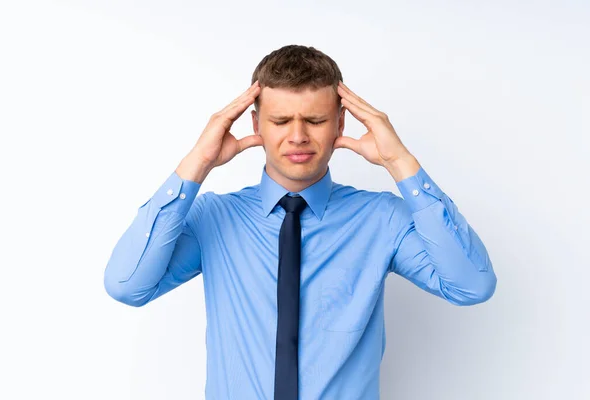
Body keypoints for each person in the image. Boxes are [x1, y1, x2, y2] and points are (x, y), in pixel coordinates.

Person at [104, 44, 497, 400]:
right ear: (255, 125)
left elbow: (471, 286)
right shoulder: (213, 219)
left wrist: (401, 163)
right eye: (280, 121)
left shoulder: (382, 219)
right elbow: (127, 285)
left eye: (314, 120)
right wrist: (197, 164)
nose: (297, 136)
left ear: (340, 125)